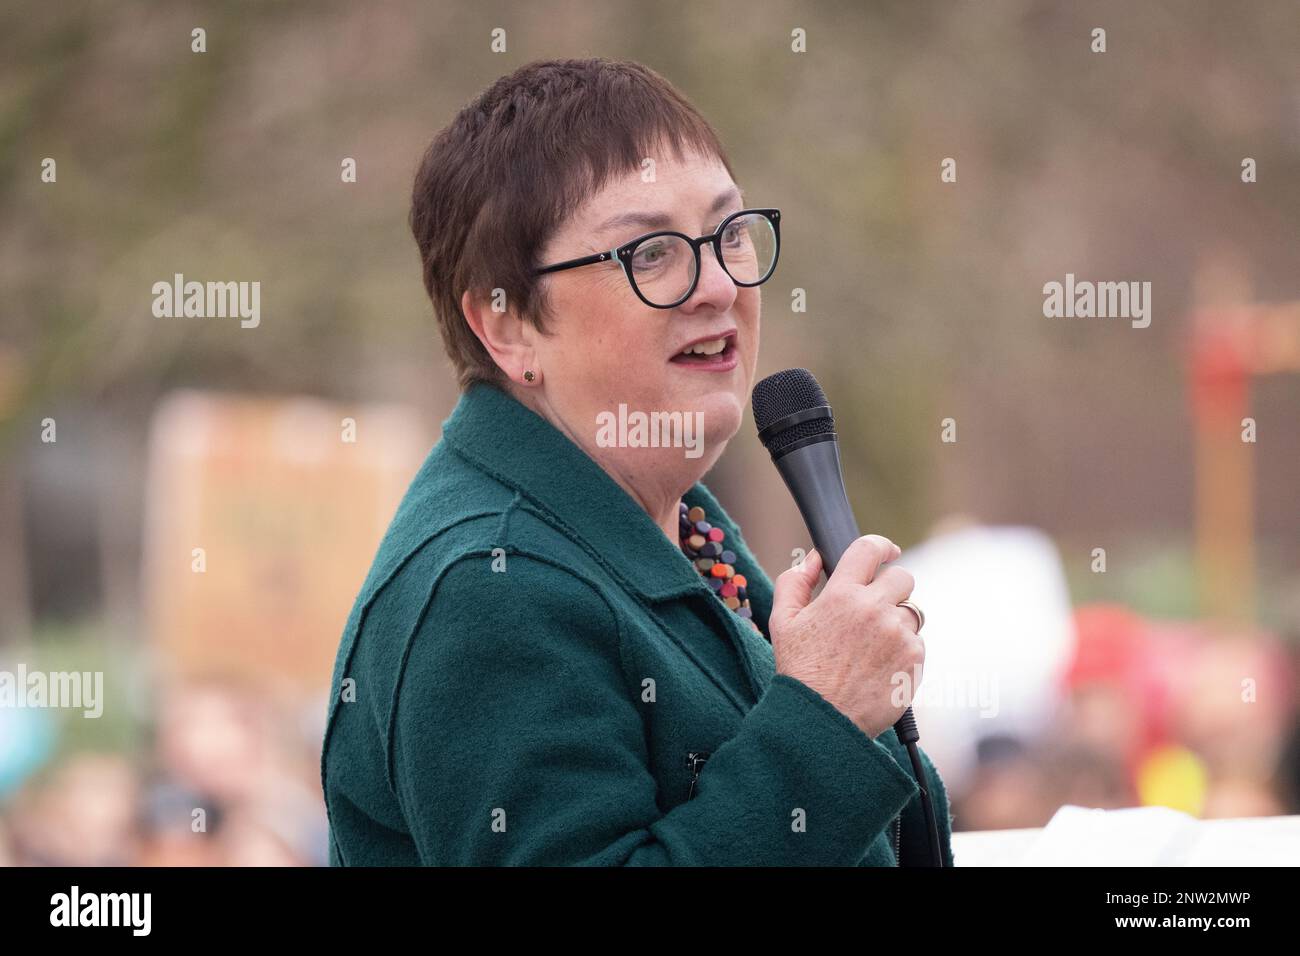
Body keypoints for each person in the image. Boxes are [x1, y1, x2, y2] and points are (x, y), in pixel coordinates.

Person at [321, 57, 953, 866]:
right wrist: (821, 723)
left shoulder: (676, 521)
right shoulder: (489, 586)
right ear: (507, 326)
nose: (719, 285)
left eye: (728, 234)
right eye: (651, 253)